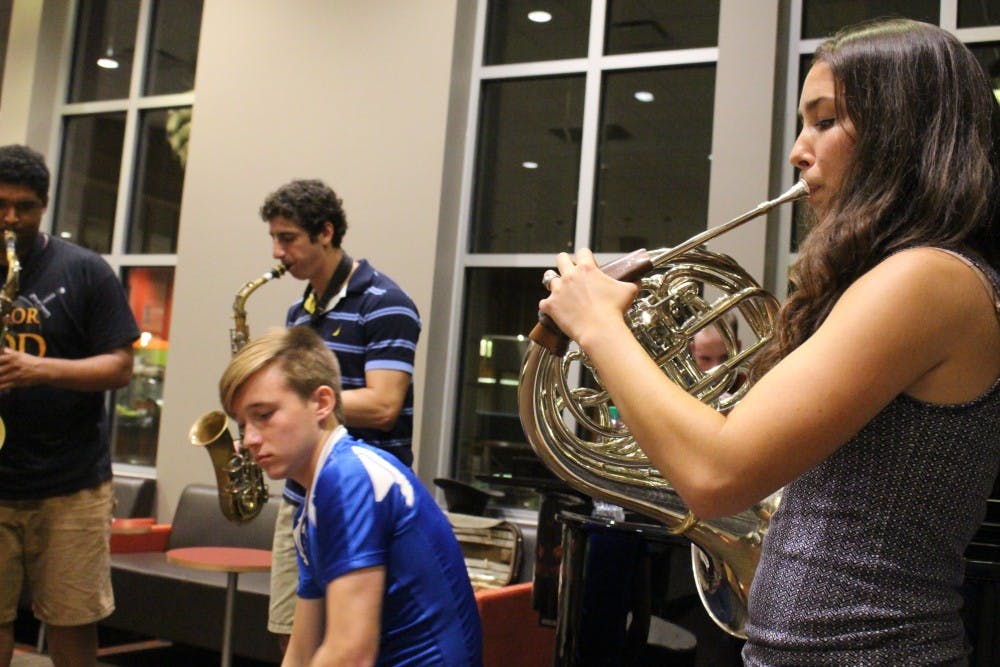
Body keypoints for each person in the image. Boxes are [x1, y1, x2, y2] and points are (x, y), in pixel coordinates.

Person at [538, 19, 1000, 665]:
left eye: (825, 121)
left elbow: (717, 473)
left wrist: (600, 325)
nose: (797, 151)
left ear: (901, 134)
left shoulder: (927, 277)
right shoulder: (910, 275)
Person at [219, 326, 481, 666]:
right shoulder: (309, 506)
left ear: (322, 403)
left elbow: (351, 654)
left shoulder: (349, 479)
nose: (250, 439)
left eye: (264, 415)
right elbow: (300, 652)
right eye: (242, 424)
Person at [259, 179, 422, 649]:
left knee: (351, 644)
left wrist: (292, 411)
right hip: (300, 498)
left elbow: (385, 405)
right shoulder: (299, 311)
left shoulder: (384, 302)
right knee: (293, 641)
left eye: (287, 238)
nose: (277, 251)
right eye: (274, 238)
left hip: (360, 502)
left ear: (325, 232)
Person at [0, 145, 139, 666]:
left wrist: (39, 369)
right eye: (1, 205)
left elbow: (120, 367)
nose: (11, 219)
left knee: (72, 623)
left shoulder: (84, 271)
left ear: (45, 207)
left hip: (70, 486)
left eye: (26, 207)